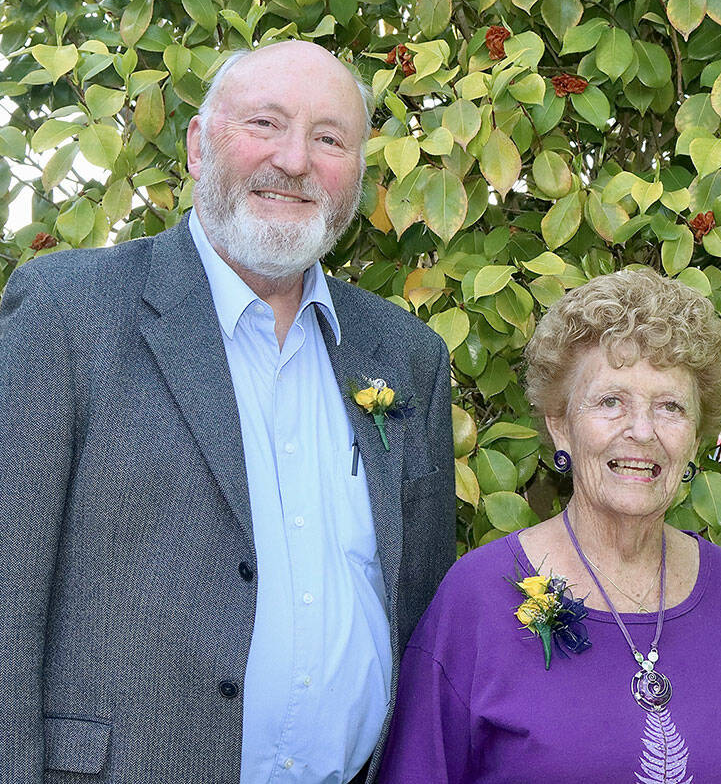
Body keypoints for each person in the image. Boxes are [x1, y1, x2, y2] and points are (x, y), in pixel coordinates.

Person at [0, 41, 456, 784]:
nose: (295, 160)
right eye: (265, 124)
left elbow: (419, 614)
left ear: (357, 174)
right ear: (196, 145)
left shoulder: (407, 358)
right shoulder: (66, 314)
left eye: (329, 138)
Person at [378, 268, 721, 783]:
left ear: (696, 437)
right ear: (561, 424)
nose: (641, 432)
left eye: (669, 407)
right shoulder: (477, 602)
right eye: (611, 401)